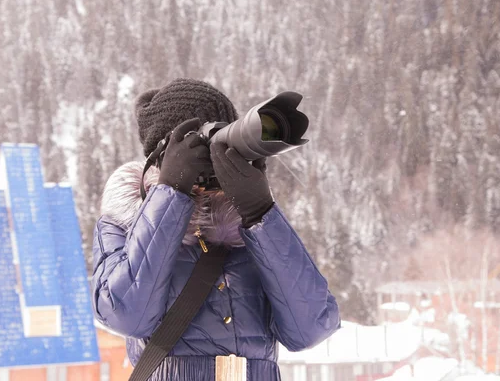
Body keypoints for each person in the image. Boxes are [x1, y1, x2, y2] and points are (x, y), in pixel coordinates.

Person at [91, 78, 340, 380]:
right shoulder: (126, 218)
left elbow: (313, 327)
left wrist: (260, 212)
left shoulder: (251, 226)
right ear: (163, 155)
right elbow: (125, 313)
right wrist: (170, 193)